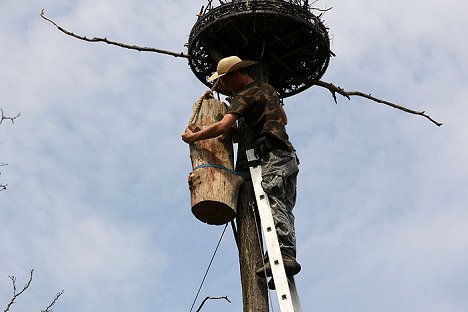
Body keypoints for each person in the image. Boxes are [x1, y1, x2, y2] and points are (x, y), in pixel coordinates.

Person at [181, 56, 301, 281]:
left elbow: (223, 125)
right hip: (287, 157)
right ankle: (281, 261)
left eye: (225, 82)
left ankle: (283, 255)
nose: (224, 88)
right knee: (283, 206)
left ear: (235, 75)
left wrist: (194, 137)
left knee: (274, 201)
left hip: (273, 156)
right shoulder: (266, 90)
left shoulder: (243, 95)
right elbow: (282, 119)